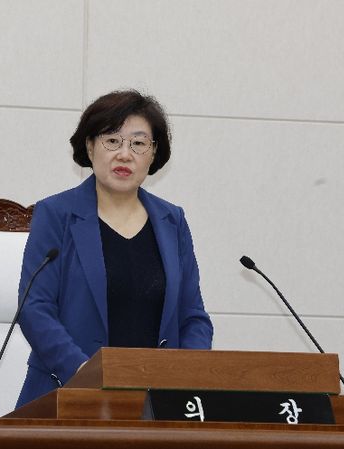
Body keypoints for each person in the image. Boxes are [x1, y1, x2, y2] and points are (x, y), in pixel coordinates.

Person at [15, 89, 213, 408]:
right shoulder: (56, 214)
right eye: (112, 140)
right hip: (67, 397)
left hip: (156, 405)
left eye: (138, 143)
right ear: (89, 146)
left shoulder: (172, 221)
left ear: (153, 153)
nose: (125, 154)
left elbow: (193, 318)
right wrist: (84, 373)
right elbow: (34, 307)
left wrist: (183, 376)